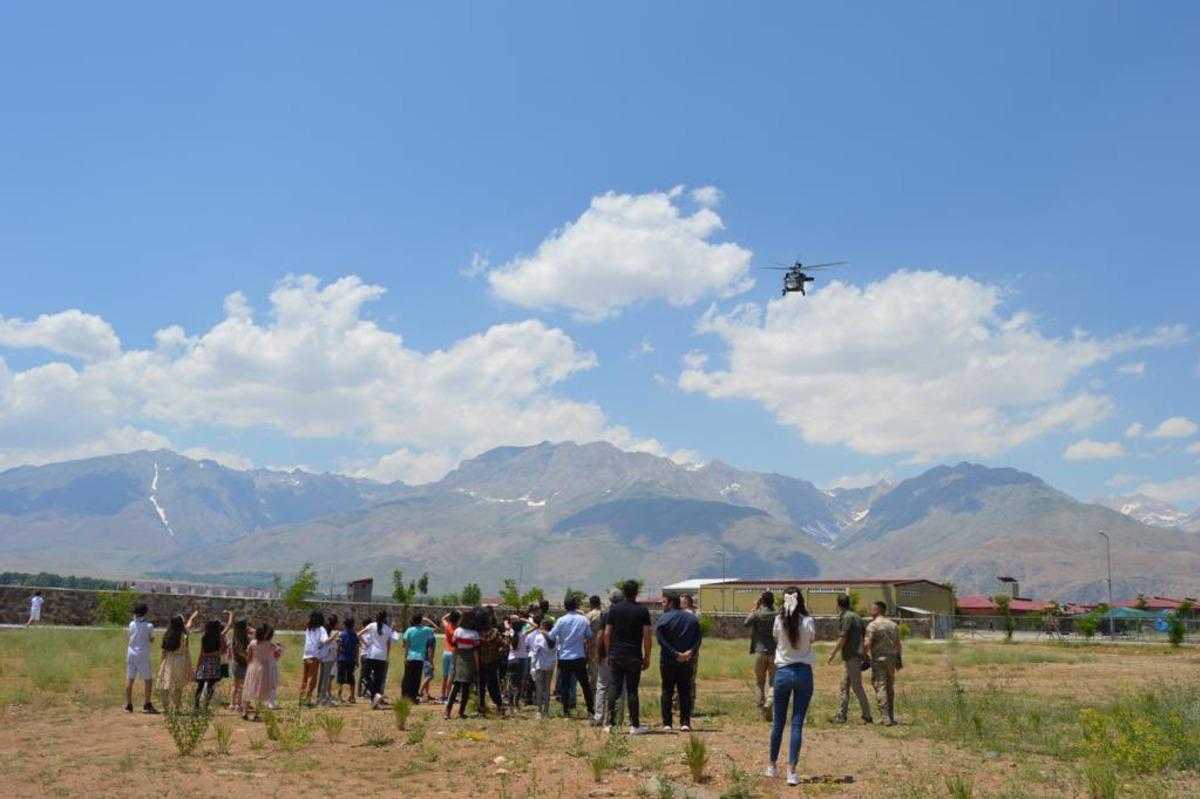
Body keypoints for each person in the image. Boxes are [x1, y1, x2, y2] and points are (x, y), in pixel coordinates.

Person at [766, 587, 816, 787]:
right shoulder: (808, 621)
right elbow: (812, 639)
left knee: (778, 722)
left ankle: (772, 765)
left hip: (783, 673)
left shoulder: (778, 621)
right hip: (803, 672)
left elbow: (776, 639)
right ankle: (792, 771)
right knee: (797, 724)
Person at [603, 579, 652, 734]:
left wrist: (608, 653)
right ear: (637, 592)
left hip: (616, 655)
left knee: (614, 689)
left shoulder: (614, 610)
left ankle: (610, 724)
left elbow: (607, 633)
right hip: (633, 656)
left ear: (623, 592)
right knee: (632, 690)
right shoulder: (642, 611)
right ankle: (634, 725)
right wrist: (647, 656)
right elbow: (647, 636)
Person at [656, 594, 702, 731]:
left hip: (668, 661)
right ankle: (685, 722)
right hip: (686, 661)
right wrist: (690, 652)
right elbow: (698, 638)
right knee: (685, 691)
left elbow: (660, 639)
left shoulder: (664, 618)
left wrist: (674, 653)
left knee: (667, 691)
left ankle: (667, 723)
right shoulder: (692, 619)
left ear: (670, 604)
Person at [827, 594, 872, 725]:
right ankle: (842, 715)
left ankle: (867, 716)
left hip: (852, 656)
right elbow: (864, 636)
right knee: (844, 686)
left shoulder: (846, 618)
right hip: (853, 656)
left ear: (838, 605)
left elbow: (843, 637)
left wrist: (832, 653)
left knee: (857, 687)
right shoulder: (856, 616)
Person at [548, 595, 595, 719]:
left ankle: (566, 712)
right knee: (585, 685)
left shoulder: (561, 621)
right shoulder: (583, 620)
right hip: (579, 656)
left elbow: (552, 636)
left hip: (564, 657)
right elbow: (589, 635)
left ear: (565, 606)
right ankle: (591, 710)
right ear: (576, 606)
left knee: (565, 685)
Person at [591, 590, 626, 728]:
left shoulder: (605, 613)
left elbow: (601, 635)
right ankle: (618, 718)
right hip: (622, 654)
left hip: (607, 655)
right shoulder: (626, 613)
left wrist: (599, 654)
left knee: (602, 687)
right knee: (620, 688)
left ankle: (599, 717)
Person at [865, 601, 902, 726]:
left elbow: (867, 644)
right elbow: (898, 645)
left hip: (879, 660)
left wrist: (863, 654)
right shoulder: (893, 625)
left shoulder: (872, 626)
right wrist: (899, 659)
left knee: (880, 686)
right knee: (890, 687)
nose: (871, 611)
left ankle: (884, 717)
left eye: (872, 609)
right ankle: (891, 716)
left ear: (877, 610)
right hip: (892, 659)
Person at [156, 610, 199, 711]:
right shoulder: (184, 635)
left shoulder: (168, 635)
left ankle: (165, 707)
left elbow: (164, 651)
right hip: (181, 661)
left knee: (165, 685)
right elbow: (189, 624)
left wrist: (161, 663)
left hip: (169, 661)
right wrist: (193, 616)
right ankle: (177, 708)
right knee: (178, 686)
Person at [444, 608, 482, 719]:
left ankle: (447, 710)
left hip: (459, 659)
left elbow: (454, 648)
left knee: (455, 686)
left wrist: (454, 662)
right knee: (466, 688)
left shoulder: (458, 631)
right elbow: (476, 652)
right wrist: (477, 666)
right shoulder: (475, 634)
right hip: (469, 661)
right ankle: (461, 712)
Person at [744, 591, 777, 716]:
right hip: (774, 652)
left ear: (762, 601)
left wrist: (755, 608)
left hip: (760, 652)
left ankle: (760, 707)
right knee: (773, 682)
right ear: (773, 601)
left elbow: (746, 623)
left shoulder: (757, 614)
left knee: (759, 682)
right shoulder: (777, 615)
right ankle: (770, 702)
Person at [242, 623, 282, 721]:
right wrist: (279, 647)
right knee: (260, 691)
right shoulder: (269, 644)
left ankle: (245, 712)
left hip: (252, 667)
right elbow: (277, 656)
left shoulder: (252, 643)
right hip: (264, 668)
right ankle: (257, 714)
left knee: (249, 689)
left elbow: (249, 658)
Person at [360, 612, 400, 709]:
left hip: (371, 654)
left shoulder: (371, 625)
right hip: (382, 656)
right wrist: (394, 630)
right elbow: (395, 640)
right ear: (385, 619)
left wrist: (366, 644)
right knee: (378, 680)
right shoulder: (388, 629)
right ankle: (375, 699)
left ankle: (374, 697)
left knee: (364, 676)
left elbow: (359, 634)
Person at [194, 611, 233, 710]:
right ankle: (206, 705)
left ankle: (196, 705)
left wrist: (197, 667)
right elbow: (222, 650)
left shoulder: (204, 638)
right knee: (211, 685)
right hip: (215, 662)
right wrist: (231, 615)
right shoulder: (219, 637)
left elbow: (201, 654)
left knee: (200, 684)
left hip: (204, 662)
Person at [124, 602, 158, 714]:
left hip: (131, 654)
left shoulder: (131, 624)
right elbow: (152, 639)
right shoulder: (149, 626)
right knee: (148, 680)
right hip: (143, 654)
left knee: (130, 679)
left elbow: (130, 635)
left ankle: (129, 704)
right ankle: (147, 703)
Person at [477, 608, 507, 716]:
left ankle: (481, 709)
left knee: (481, 687)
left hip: (481, 663)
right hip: (493, 663)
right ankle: (500, 706)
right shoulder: (495, 632)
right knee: (494, 685)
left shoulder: (477, 634)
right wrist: (497, 653)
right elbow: (504, 645)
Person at [401, 613, 435, 702]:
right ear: (421, 620)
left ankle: (405, 696)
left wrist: (405, 657)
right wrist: (427, 620)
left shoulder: (409, 630)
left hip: (410, 656)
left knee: (408, 677)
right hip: (420, 657)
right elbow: (437, 628)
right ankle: (413, 697)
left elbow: (406, 645)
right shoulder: (426, 630)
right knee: (416, 679)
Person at [528, 618, 556, 718]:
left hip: (540, 665)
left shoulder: (539, 637)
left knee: (539, 688)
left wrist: (532, 666)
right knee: (547, 688)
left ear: (544, 626)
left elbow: (535, 653)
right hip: (550, 665)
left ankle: (539, 711)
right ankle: (546, 711)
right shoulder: (554, 637)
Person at [299, 611, 328, 707]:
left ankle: (301, 698)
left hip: (306, 655)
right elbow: (325, 640)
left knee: (305, 678)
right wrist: (333, 637)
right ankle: (307, 700)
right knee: (312, 678)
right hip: (314, 655)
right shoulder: (321, 629)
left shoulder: (309, 628)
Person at [505, 613, 531, 710]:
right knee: (520, 682)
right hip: (522, 659)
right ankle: (517, 702)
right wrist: (525, 620)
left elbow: (507, 627)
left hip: (511, 659)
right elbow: (535, 626)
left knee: (511, 682)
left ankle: (510, 702)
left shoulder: (510, 633)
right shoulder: (524, 633)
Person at [680, 593, 701, 704]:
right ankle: (690, 703)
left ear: (685, 603)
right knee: (691, 678)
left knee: (678, 676)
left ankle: (677, 703)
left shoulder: (680, 615)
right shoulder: (696, 615)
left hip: (680, 649)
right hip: (693, 649)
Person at [317, 613, 340, 706]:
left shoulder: (325, 631)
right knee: (325, 678)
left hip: (323, 657)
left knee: (322, 677)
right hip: (329, 657)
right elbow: (333, 645)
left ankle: (320, 695)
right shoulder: (333, 633)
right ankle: (322, 698)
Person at [439, 610, 461, 702]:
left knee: (444, 675)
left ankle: (443, 695)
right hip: (453, 652)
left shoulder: (448, 626)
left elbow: (442, 618)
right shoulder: (458, 629)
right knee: (451, 675)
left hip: (445, 652)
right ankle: (448, 695)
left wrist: (450, 613)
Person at [336, 617, 359, 703]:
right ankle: (352, 696)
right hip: (351, 659)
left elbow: (338, 647)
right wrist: (357, 660)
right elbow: (357, 648)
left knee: (340, 679)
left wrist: (337, 657)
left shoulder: (342, 634)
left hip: (342, 659)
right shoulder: (355, 635)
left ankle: (339, 696)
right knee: (351, 678)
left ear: (345, 625)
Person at [230, 619, 251, 713]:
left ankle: (232, 703)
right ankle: (238, 704)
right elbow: (241, 652)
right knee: (241, 685)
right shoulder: (241, 639)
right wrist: (247, 658)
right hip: (242, 663)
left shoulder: (235, 637)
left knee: (235, 685)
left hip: (236, 663)